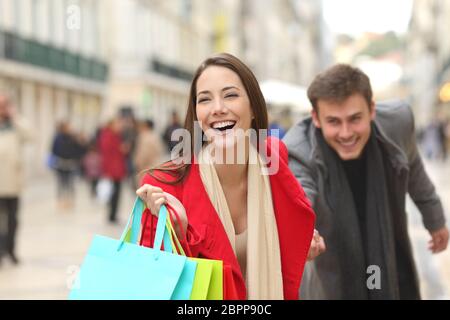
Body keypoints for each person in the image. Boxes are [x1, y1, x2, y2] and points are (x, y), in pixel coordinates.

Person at [136, 53, 321, 300]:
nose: (218, 109)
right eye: (205, 99)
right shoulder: (163, 186)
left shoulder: (273, 157)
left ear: (254, 107)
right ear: (197, 114)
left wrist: (303, 242)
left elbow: (291, 223)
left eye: (230, 95)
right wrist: (180, 234)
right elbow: (154, 284)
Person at [283, 64, 449, 299]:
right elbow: (299, 194)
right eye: (333, 121)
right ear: (316, 118)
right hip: (334, 262)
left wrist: (435, 218)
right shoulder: (297, 148)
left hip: (388, 247)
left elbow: (414, 167)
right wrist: (302, 231)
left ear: (371, 110)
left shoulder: (398, 121)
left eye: (354, 118)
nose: (346, 132)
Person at [0, 91, 32, 265]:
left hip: (12, 182)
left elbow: (31, 136)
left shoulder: (15, 125)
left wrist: (15, 117)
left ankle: (11, 250)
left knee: (13, 219)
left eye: (4, 105)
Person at [98, 117, 129, 223]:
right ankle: (111, 215)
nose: (120, 127)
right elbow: (107, 155)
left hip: (118, 169)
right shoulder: (108, 136)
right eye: (117, 124)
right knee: (113, 194)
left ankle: (114, 214)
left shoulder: (115, 136)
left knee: (116, 193)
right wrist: (107, 171)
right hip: (112, 170)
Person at [50, 121, 85, 209]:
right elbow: (54, 150)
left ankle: (70, 202)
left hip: (71, 163)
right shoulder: (58, 138)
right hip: (61, 163)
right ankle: (61, 202)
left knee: (70, 184)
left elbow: (80, 149)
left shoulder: (73, 138)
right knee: (61, 184)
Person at [133, 119, 163, 184]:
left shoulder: (144, 137)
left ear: (145, 126)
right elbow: (160, 150)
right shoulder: (155, 136)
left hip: (146, 169)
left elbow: (143, 154)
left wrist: (138, 164)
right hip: (155, 167)